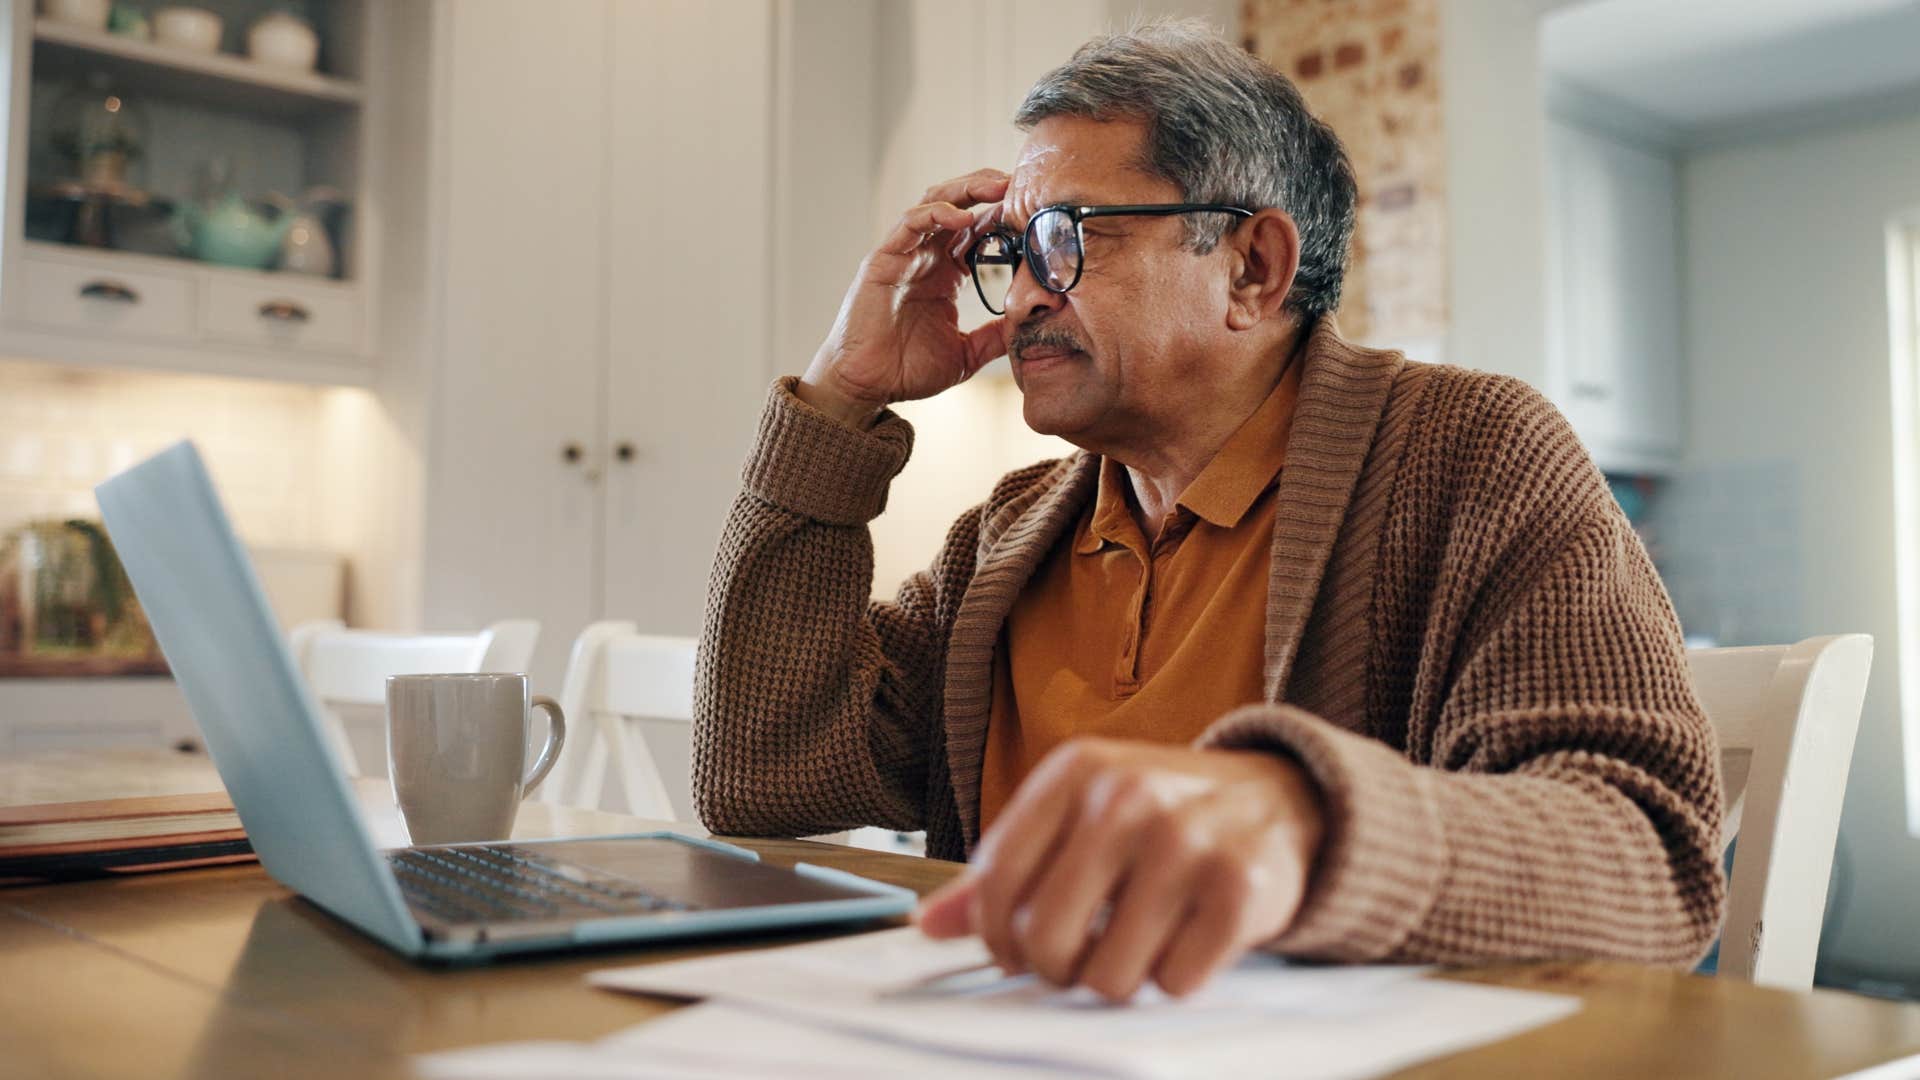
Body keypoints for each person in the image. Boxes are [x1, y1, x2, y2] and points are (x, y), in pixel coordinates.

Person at [692, 20, 1725, 1002]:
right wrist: (840, 398)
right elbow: (757, 773)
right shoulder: (1005, 537)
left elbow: (1647, 851)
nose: (1017, 301)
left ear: (1252, 266)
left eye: (1064, 238)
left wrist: (1305, 822)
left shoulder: (1473, 456)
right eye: (1010, 252)